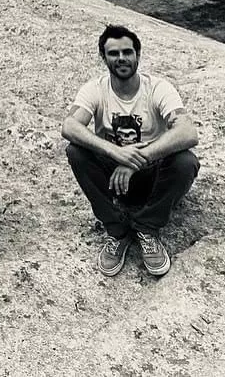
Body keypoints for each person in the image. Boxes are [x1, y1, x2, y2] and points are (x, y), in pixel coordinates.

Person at [62, 25, 199, 277]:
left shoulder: (157, 88)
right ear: (103, 57)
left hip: (152, 175)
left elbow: (188, 132)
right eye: (113, 53)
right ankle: (117, 231)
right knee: (76, 152)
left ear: (138, 54)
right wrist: (114, 151)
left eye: (127, 52)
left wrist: (137, 159)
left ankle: (147, 227)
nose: (121, 58)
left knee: (186, 161)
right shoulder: (95, 89)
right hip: (114, 179)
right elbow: (69, 126)